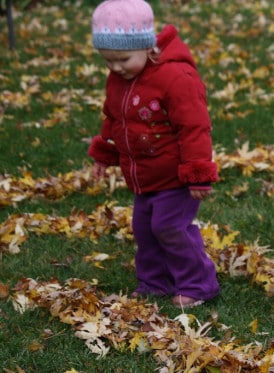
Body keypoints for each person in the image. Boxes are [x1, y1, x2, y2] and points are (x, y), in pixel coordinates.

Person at [88, 0, 220, 308]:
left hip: (174, 175)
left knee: (170, 227)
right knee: (145, 230)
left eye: (122, 59)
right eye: (108, 61)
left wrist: (198, 172)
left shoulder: (176, 79)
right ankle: (155, 282)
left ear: (148, 47)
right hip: (143, 175)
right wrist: (104, 153)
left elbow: (194, 127)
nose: (116, 68)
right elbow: (114, 118)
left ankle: (199, 284)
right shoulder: (119, 79)